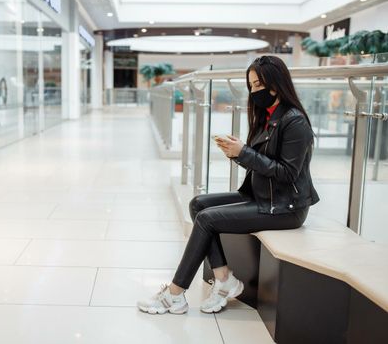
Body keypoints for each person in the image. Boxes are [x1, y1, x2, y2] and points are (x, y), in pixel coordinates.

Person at [137, 55, 320, 315]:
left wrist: (244, 152)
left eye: (259, 85)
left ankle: (175, 294)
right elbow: (263, 164)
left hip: (285, 207)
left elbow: (288, 173)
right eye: (252, 86)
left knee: (207, 218)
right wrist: (237, 153)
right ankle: (224, 280)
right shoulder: (267, 116)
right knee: (198, 204)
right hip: (263, 197)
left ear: (277, 83)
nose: (254, 91)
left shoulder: (295, 122)